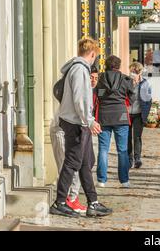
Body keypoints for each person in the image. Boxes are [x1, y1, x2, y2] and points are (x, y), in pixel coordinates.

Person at [50, 38, 112, 218]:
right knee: (72, 162)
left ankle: (93, 202)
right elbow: (80, 98)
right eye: (96, 57)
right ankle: (60, 202)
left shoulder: (76, 68)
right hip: (76, 122)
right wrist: (89, 120)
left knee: (85, 163)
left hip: (78, 121)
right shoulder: (79, 69)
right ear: (92, 54)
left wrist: (88, 119)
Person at [49, 66, 100, 214]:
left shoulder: (89, 91)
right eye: (91, 78)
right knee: (70, 165)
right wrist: (89, 122)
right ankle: (64, 201)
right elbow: (79, 107)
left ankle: (88, 201)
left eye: (96, 79)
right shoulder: (76, 88)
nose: (93, 81)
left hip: (81, 128)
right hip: (67, 129)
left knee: (85, 163)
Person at [96, 55, 135, 188]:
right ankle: (124, 180)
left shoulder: (100, 78)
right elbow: (132, 97)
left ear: (106, 65)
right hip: (121, 115)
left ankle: (101, 180)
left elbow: (98, 96)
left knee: (103, 149)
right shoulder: (125, 79)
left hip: (104, 116)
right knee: (122, 150)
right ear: (119, 65)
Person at [128, 62, 152, 169]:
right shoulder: (125, 82)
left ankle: (137, 159)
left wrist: (145, 115)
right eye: (132, 71)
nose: (134, 73)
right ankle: (129, 159)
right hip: (127, 113)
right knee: (127, 137)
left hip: (138, 114)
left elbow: (148, 101)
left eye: (136, 71)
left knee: (137, 137)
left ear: (140, 72)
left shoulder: (145, 83)